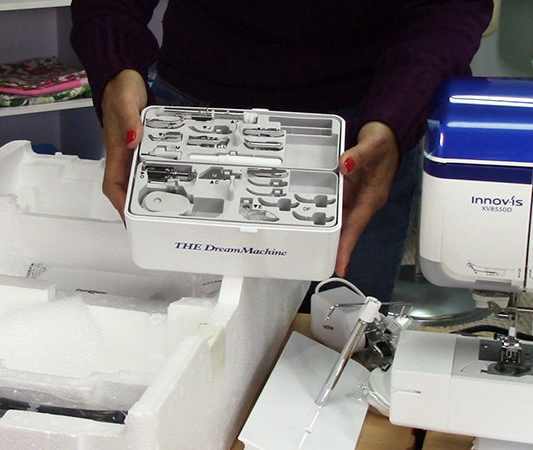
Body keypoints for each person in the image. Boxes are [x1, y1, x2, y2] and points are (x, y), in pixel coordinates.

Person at [70, 0, 493, 302]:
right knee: (183, 330)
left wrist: (396, 115)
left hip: (362, 135)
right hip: (193, 122)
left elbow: (449, 9)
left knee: (333, 339)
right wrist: (115, 67)